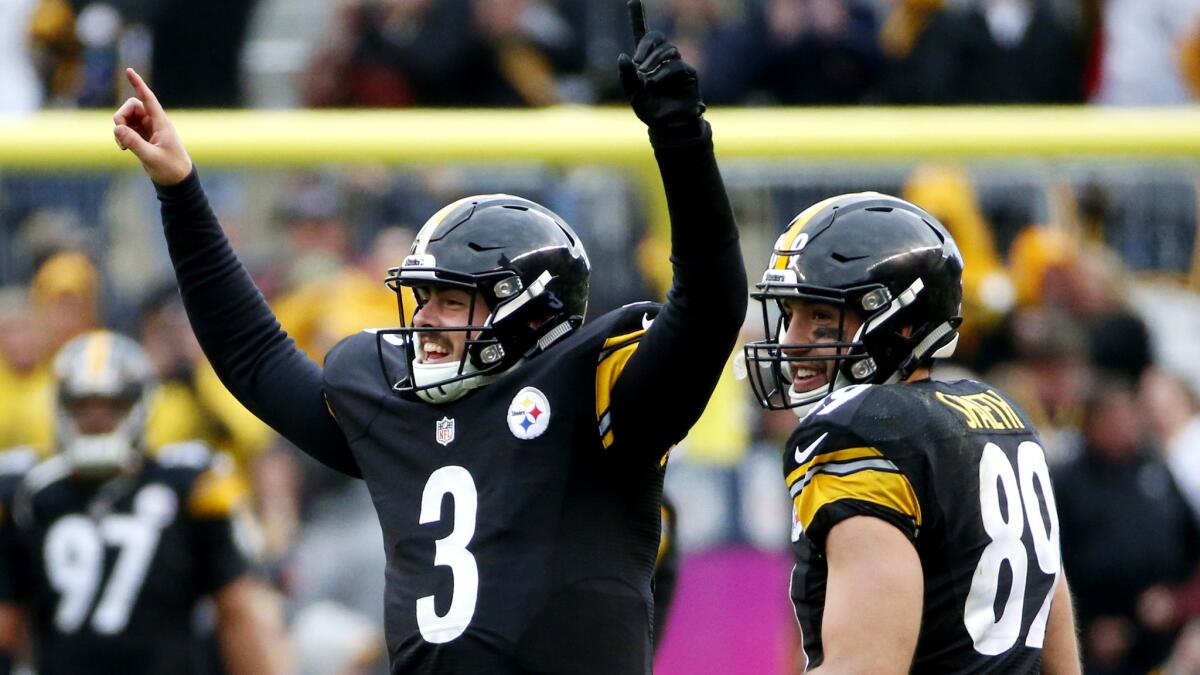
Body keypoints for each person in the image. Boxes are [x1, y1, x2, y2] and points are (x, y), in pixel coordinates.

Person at [111, 0, 746, 671]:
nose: (425, 319)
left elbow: (708, 305)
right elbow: (255, 356)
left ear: (529, 309)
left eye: (451, 300)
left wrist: (681, 140)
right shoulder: (397, 401)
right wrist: (180, 191)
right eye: (425, 297)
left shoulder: (591, 389)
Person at [742, 192, 1081, 672]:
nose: (793, 342)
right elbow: (1054, 623)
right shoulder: (1002, 414)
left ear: (900, 324)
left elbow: (865, 666)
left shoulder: (858, 429)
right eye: (790, 315)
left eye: (820, 317)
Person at [0, 330, 290, 675]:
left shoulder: (191, 483)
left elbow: (238, 610)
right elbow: (7, 625)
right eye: (82, 406)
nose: (96, 420)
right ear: (60, 407)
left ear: (141, 405)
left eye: (112, 406)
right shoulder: (27, 494)